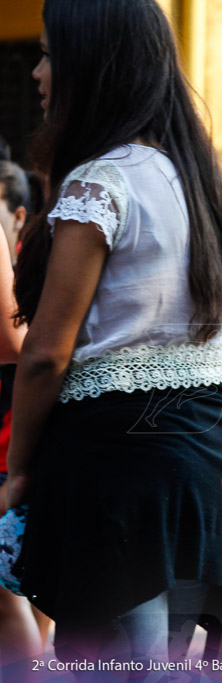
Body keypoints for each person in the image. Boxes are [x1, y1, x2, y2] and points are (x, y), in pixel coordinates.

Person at [7, 0, 222, 662]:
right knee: (178, 654)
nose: (37, 73)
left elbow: (45, 355)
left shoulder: (101, 181)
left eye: (49, 54)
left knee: (117, 658)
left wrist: (17, 470)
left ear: (92, 65)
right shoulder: (203, 181)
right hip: (198, 456)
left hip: (114, 468)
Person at [0, 161, 39, 671]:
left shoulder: (29, 259)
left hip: (13, 448)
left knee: (9, 600)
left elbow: (22, 346)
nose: (34, 73)